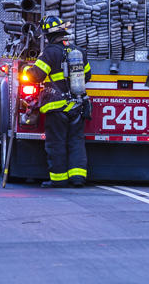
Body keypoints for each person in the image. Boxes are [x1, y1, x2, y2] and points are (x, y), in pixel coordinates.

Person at [24, 16, 92, 188]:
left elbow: (37, 75)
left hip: (57, 107)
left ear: (48, 35)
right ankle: (78, 178)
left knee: (56, 143)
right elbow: (88, 76)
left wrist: (25, 70)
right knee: (76, 141)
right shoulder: (78, 51)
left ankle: (59, 179)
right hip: (77, 105)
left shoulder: (50, 52)